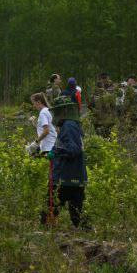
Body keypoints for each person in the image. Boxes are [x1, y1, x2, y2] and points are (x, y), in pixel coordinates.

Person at [44, 97, 87, 227]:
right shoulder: (70, 125)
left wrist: (56, 151)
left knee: (51, 207)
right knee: (76, 213)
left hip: (66, 176)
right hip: (73, 176)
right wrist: (53, 150)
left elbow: (73, 149)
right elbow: (64, 144)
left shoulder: (69, 126)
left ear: (64, 111)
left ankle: (49, 231)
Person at [32, 92, 56, 157]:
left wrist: (35, 142)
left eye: (34, 103)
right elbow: (47, 127)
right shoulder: (48, 110)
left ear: (39, 102)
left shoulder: (42, 113)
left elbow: (46, 131)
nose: (34, 106)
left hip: (47, 147)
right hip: (53, 145)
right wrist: (34, 123)